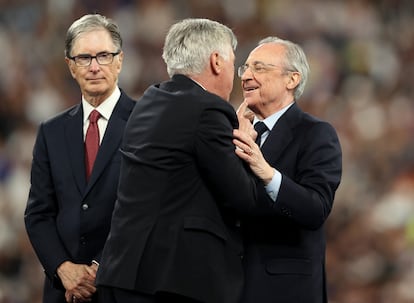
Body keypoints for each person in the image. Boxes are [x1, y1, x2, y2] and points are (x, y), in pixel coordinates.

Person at [96, 18, 261, 303]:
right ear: (216, 62)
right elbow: (243, 197)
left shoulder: (149, 100)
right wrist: (245, 143)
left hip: (123, 271)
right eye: (234, 63)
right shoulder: (208, 110)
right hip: (172, 281)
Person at [24, 14, 136, 303]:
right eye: (84, 58)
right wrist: (63, 268)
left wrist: (100, 267)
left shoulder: (146, 123)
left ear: (120, 60)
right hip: (64, 292)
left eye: (103, 56)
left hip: (122, 288)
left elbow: (147, 211)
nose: (94, 66)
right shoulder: (51, 132)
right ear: (70, 66)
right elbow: (38, 214)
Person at [233, 37, 342, 303]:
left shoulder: (316, 134)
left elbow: (316, 209)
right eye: (245, 68)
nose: (246, 76)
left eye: (259, 68)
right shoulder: (236, 132)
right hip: (231, 286)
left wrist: (266, 171)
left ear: (292, 79)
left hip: (286, 290)